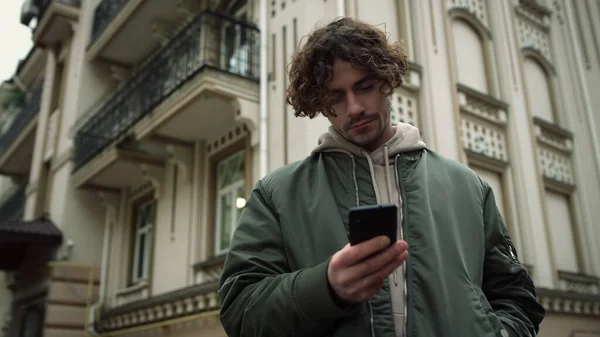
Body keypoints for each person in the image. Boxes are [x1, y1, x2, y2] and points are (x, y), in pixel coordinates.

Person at [218, 17, 545, 337]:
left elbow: (516, 297)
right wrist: (326, 287)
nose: (354, 107)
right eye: (335, 97)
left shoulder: (468, 186)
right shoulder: (277, 194)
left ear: (387, 81)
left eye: (365, 87)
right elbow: (240, 310)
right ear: (319, 103)